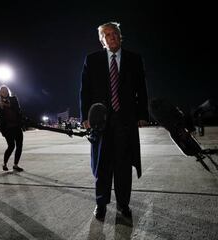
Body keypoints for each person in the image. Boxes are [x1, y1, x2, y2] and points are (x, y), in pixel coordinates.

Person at [80, 22, 149, 221]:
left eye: (115, 33)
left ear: (120, 36)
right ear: (102, 40)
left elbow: (141, 89)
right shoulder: (91, 60)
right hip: (101, 123)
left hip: (125, 122)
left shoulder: (134, 59)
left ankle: (123, 204)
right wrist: (86, 117)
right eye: (107, 35)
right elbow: (85, 91)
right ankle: (101, 204)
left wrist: (142, 114)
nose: (111, 37)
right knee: (102, 166)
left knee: (123, 166)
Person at [0, 85, 24, 172]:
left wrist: (7, 105)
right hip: (7, 129)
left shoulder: (13, 99)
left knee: (19, 146)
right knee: (11, 146)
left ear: (8, 91)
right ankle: (5, 163)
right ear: (0, 93)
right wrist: (2, 107)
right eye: (2, 91)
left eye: (6, 90)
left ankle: (15, 165)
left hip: (17, 126)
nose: (4, 92)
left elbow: (18, 110)